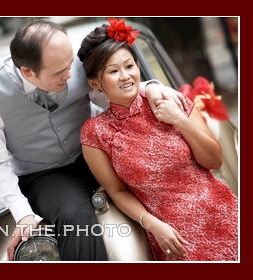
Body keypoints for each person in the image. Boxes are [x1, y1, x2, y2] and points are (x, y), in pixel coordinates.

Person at [0, 19, 187, 261]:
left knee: (149, 179)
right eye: (60, 73)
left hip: (94, 152)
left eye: (70, 65)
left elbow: (112, 98)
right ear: (27, 72)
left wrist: (151, 88)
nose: (71, 75)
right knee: (74, 215)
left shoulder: (74, 64)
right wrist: (23, 214)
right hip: (44, 175)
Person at [78, 18, 238, 261]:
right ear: (95, 83)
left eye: (129, 66)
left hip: (220, 212)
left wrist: (180, 120)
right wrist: (153, 225)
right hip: (171, 235)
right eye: (113, 71)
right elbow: (117, 191)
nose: (125, 76)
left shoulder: (170, 100)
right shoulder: (95, 133)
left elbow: (214, 161)